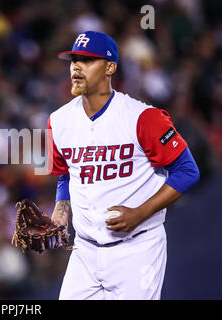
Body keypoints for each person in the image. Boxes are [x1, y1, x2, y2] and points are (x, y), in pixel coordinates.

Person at [47, 31, 199, 300]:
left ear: (110, 67)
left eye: (87, 60)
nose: (77, 67)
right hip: (84, 252)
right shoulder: (58, 121)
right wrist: (61, 211)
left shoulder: (143, 118)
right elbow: (65, 176)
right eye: (73, 61)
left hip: (137, 248)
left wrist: (141, 212)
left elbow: (187, 171)